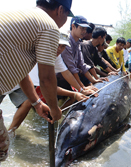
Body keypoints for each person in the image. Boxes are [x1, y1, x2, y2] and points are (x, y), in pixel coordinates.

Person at [0, 0, 74, 161]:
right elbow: (46, 78)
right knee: (1, 148)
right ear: (60, 10)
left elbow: (22, 72)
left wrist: (37, 103)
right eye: (67, 15)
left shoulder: (24, 17)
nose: (65, 20)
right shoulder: (49, 26)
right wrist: (55, 109)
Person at [7, 31, 90, 133]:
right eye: (57, 45)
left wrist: (80, 90)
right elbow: (46, 86)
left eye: (63, 46)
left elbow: (67, 73)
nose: (60, 48)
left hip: (22, 81)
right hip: (10, 79)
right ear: (50, 42)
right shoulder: (41, 54)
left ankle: (11, 132)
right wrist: (74, 94)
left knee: (28, 102)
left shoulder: (56, 56)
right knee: (30, 101)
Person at [58, 15, 103, 94]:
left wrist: (94, 80)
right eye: (82, 28)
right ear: (73, 26)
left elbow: (81, 64)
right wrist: (82, 88)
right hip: (61, 79)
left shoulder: (78, 43)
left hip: (72, 78)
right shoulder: (66, 42)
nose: (84, 31)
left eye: (85, 29)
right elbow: (71, 68)